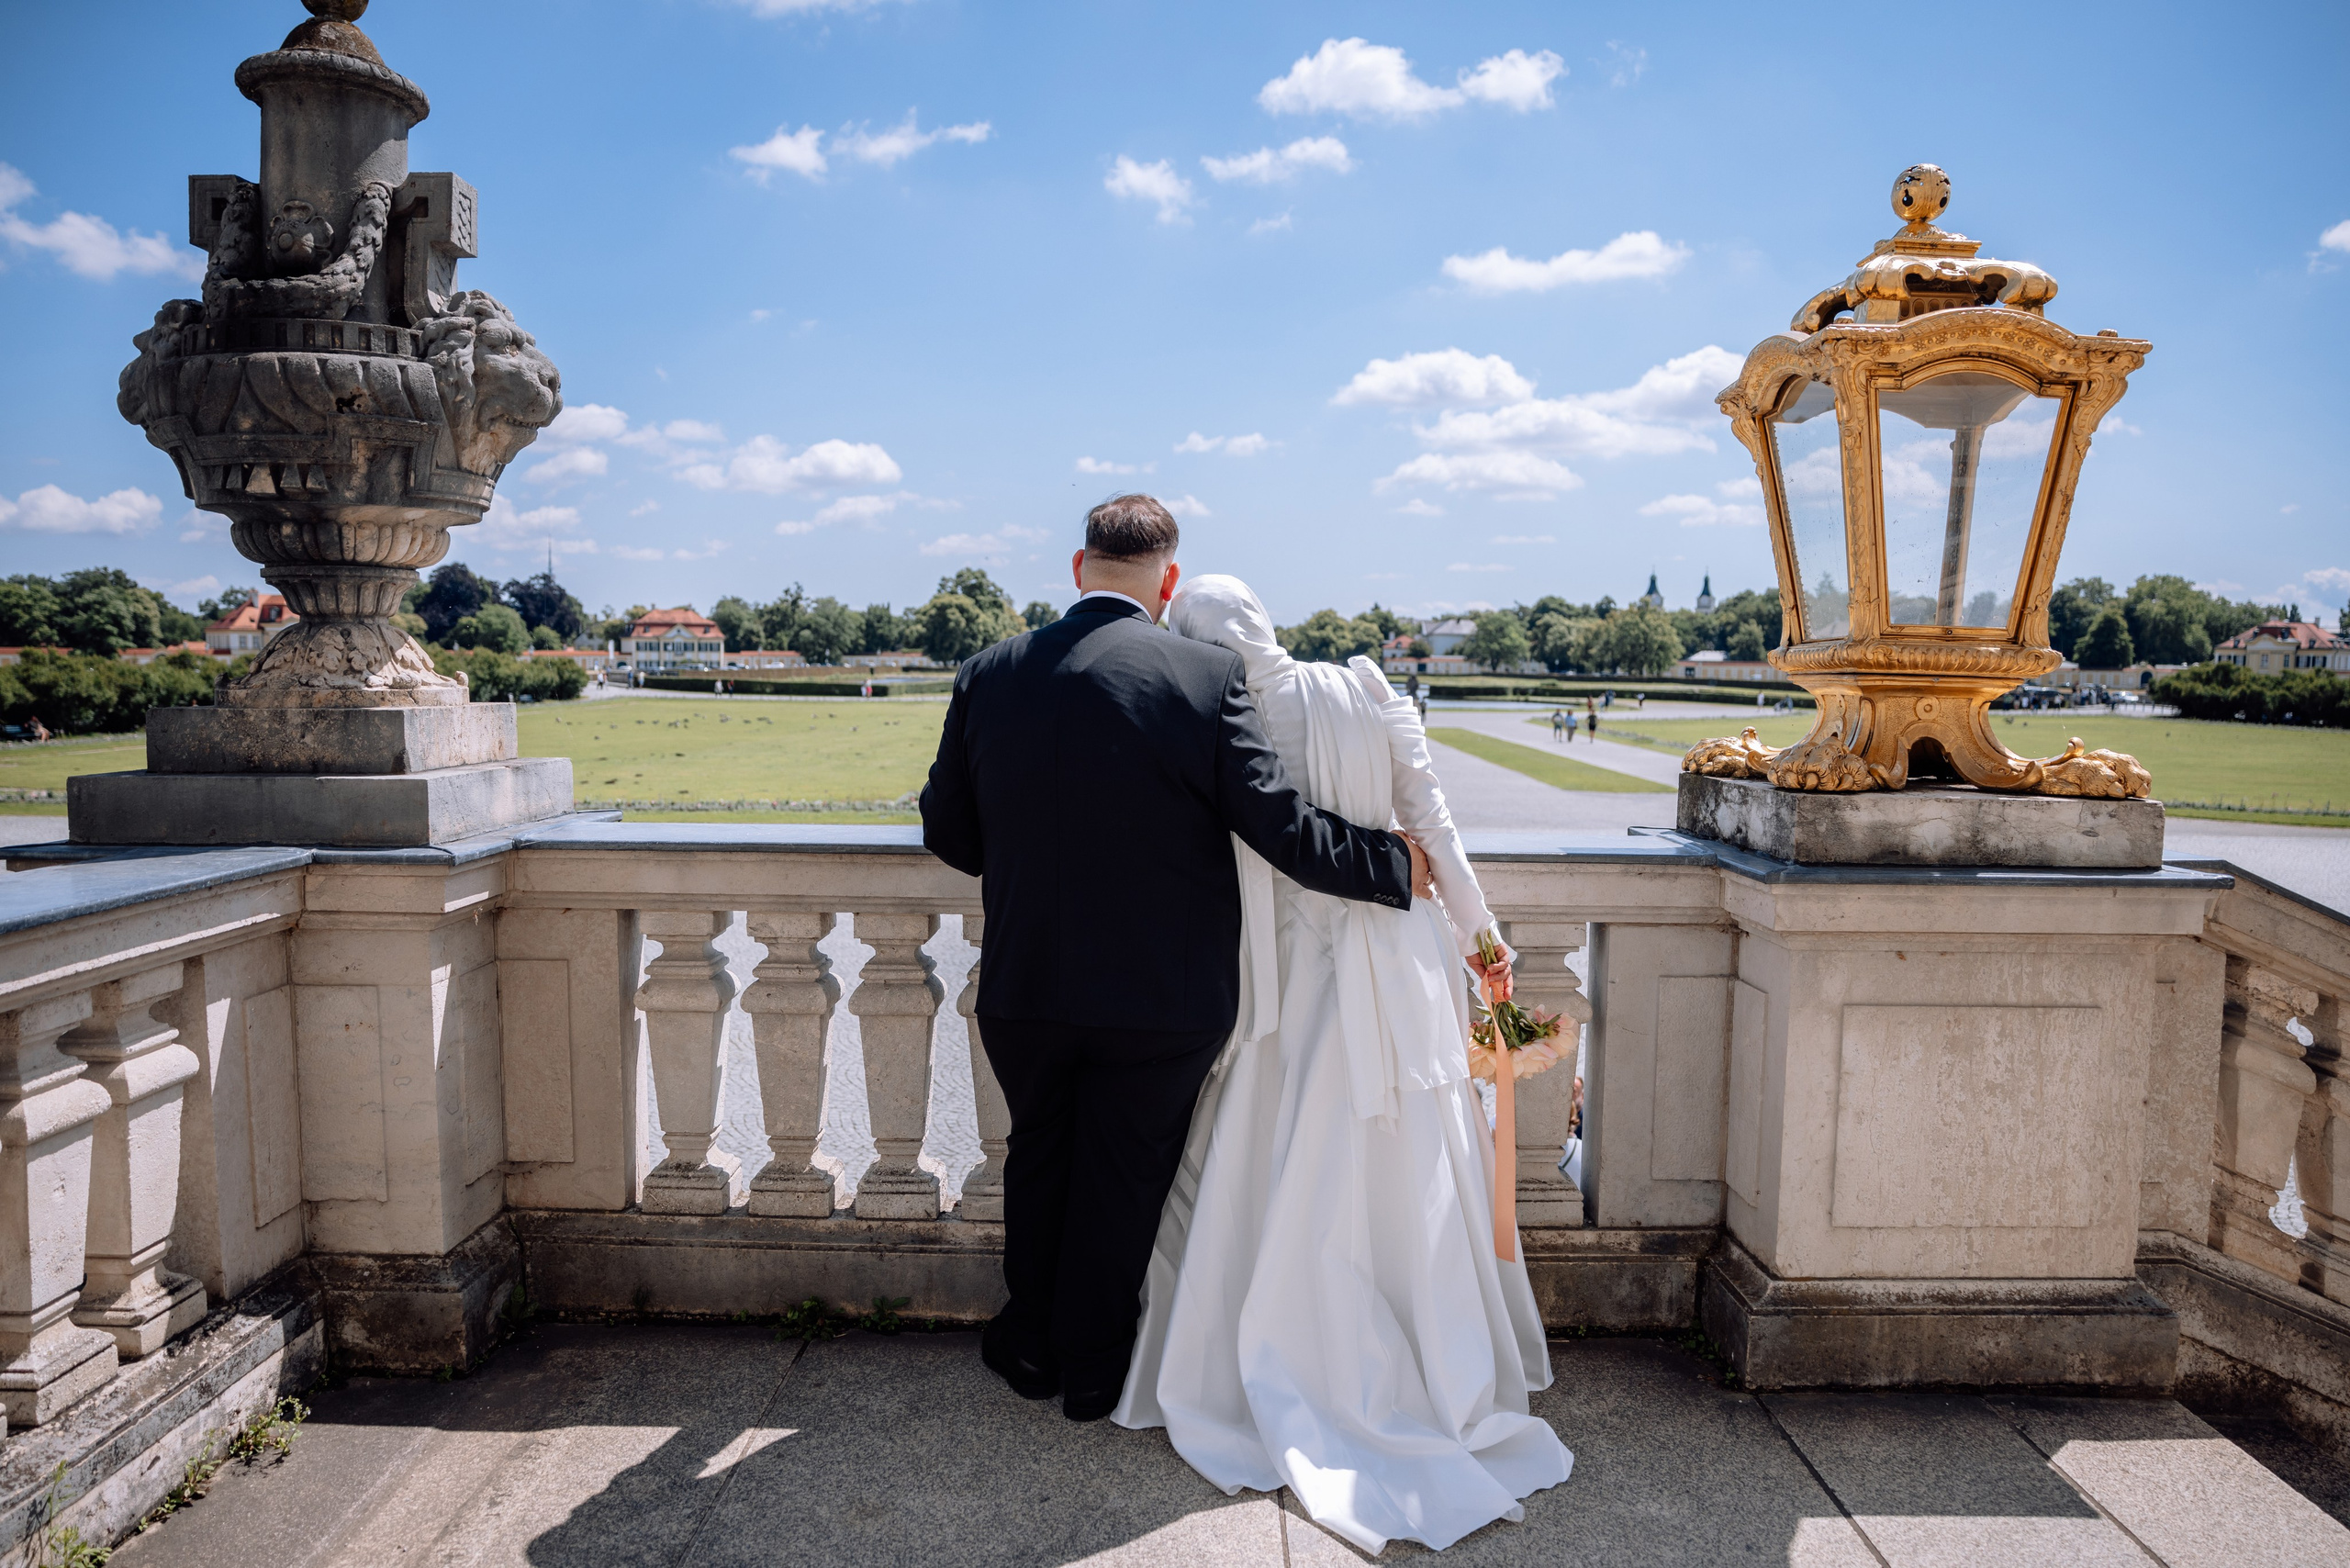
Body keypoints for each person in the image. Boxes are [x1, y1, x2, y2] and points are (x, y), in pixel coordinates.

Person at [920, 495, 1427, 1424]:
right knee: (1123, 1176)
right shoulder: (1203, 677)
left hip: (1028, 980)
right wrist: (1392, 862)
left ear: (1078, 570)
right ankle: (1095, 1369)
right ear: (1168, 580)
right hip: (1162, 994)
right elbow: (1278, 827)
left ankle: (1028, 1339)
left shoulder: (987, 673)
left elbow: (949, 831)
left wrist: (1041, 859)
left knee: (1038, 1155)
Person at [1118, 574, 1571, 1554]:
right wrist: (1488, 956)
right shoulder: (1365, 691)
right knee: (1409, 1172)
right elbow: (1436, 834)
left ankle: (1272, 1357)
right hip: (1397, 961)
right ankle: (1433, 1364)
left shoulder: (1213, 712)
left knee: (1277, 1154)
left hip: (1285, 974)